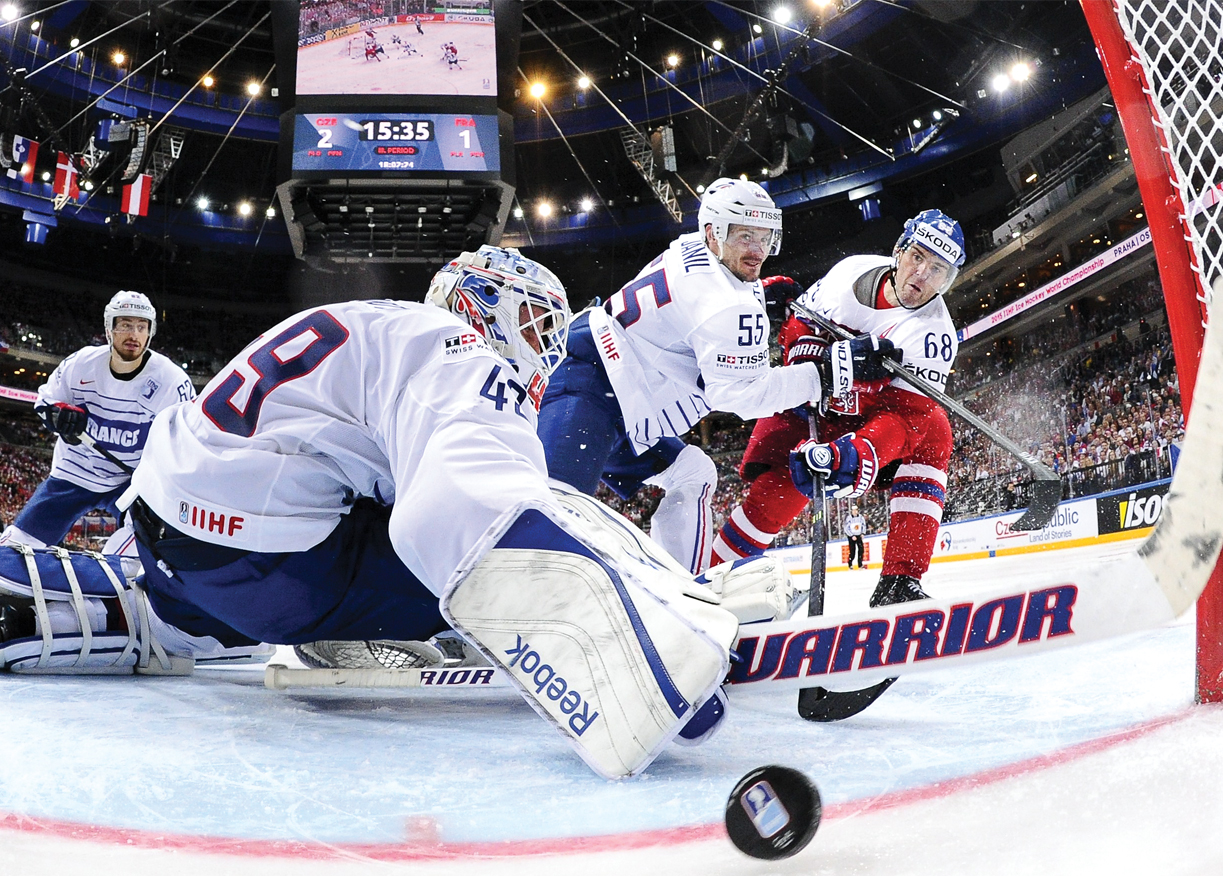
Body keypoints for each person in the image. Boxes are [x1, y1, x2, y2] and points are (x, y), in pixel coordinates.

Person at [0, 247, 795, 781]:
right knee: (505, 519)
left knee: (189, 607)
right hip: (267, 559)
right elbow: (461, 513)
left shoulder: (381, 325)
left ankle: (122, 612)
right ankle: (641, 617)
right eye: (534, 322)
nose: (546, 346)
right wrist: (644, 632)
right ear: (483, 307)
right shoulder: (459, 350)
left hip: (176, 532)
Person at [536, 178, 856, 575]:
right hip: (592, 387)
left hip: (616, 389)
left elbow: (703, 298)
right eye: (744, 236)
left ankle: (680, 593)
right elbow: (740, 395)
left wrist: (762, 293)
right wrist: (826, 375)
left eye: (764, 236)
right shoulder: (725, 304)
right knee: (552, 516)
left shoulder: (694, 247)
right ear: (714, 233)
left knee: (694, 472)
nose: (758, 250)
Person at [710, 209, 965, 609]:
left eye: (938, 270)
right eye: (917, 257)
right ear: (899, 252)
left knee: (935, 429)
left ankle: (901, 579)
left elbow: (906, 419)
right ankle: (709, 578)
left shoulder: (936, 338)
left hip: (864, 420)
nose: (921, 275)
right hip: (809, 404)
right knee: (774, 498)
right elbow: (795, 333)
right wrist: (837, 361)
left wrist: (859, 452)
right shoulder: (851, 274)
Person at [0, 291, 194, 549]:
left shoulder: (172, 380)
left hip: (132, 481)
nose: (134, 334)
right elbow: (45, 402)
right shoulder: (81, 363)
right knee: (14, 550)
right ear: (109, 329)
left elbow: (187, 438)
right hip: (74, 472)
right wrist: (59, 416)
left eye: (141, 326)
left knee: (146, 555)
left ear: (150, 332)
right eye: (125, 325)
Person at [844, 504, 866, 570]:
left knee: (861, 550)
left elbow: (863, 525)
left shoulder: (861, 517)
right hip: (851, 536)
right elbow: (846, 528)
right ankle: (850, 564)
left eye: (856, 510)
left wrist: (862, 533)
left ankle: (860, 564)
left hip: (858, 535)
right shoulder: (849, 518)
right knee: (852, 551)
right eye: (853, 510)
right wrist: (851, 535)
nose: (854, 512)